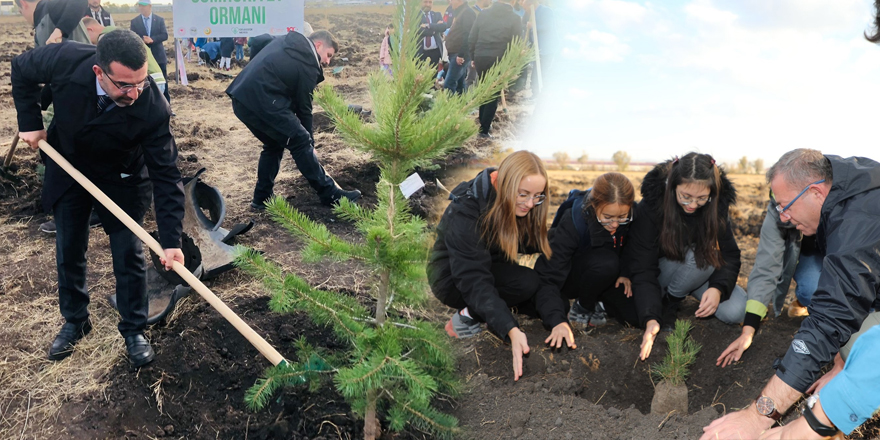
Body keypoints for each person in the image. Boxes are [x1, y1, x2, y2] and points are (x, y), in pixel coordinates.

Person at [11, 30, 185, 368]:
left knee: (128, 251)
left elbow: (166, 175)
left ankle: (134, 327)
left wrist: (170, 239)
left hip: (122, 174)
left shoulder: (152, 107)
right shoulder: (65, 59)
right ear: (98, 72)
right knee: (69, 246)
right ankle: (76, 320)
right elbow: (21, 69)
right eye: (123, 85)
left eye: (139, 83)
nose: (133, 93)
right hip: (68, 162)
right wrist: (30, 121)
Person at [700, 149, 880, 440]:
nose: (782, 217)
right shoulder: (847, 183)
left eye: (786, 206)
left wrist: (758, 417)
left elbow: (829, 320)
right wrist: (841, 363)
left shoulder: (857, 221)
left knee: (859, 337)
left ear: (816, 192)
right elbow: (855, 293)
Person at [428, 150, 575, 381]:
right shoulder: (467, 212)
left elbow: (527, 242)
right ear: (506, 184)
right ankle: (468, 315)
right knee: (527, 283)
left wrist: (568, 237)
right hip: (452, 279)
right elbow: (474, 279)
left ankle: (495, 311)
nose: (530, 204)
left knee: (553, 302)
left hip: (491, 267)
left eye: (537, 196)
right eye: (523, 194)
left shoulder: (515, 203)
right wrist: (510, 330)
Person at [628, 152, 747, 361]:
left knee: (736, 311)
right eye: (685, 197)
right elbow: (642, 267)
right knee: (704, 255)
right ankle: (668, 305)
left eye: (702, 198)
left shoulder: (716, 206)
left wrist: (718, 288)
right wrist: (651, 318)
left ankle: (677, 296)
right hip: (661, 273)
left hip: (695, 270)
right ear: (672, 186)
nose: (692, 205)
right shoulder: (652, 207)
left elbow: (730, 254)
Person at [226, 30, 361, 209]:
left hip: (242, 97)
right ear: (318, 45)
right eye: (328, 55)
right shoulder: (308, 61)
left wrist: (259, 73)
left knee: (274, 144)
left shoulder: (285, 41)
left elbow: (259, 40)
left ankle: (262, 198)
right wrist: (308, 142)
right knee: (300, 140)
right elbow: (304, 108)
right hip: (262, 101)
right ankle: (330, 194)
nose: (327, 62)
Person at [715, 199, 823, 368]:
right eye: (778, 204)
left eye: (786, 205)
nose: (782, 216)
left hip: (848, 255)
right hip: (813, 253)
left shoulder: (847, 204)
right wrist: (748, 330)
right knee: (812, 291)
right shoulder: (778, 209)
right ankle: (805, 299)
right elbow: (766, 269)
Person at [534, 172, 641, 328]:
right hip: (574, 276)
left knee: (636, 317)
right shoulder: (574, 221)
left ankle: (600, 303)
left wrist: (625, 272)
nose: (615, 224)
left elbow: (633, 246)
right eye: (608, 217)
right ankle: (583, 306)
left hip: (611, 277)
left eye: (622, 217)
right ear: (594, 205)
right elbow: (550, 272)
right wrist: (556, 318)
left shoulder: (633, 214)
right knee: (606, 263)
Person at [469, 0, 522, 138]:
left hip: (481, 56)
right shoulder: (515, 18)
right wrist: (512, 63)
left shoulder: (483, 14)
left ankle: (483, 122)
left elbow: (472, 36)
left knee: (484, 89)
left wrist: (473, 56)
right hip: (499, 58)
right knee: (493, 94)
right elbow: (517, 43)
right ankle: (484, 130)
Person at [82, 19, 167, 95]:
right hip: (157, 78)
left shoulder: (106, 38)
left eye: (85, 35)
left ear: (89, 30)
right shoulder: (118, 31)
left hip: (145, 82)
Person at [129, 0, 169, 104]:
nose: (142, 8)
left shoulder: (159, 20)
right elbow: (133, 38)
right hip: (143, 58)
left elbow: (165, 35)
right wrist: (142, 40)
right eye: (140, 6)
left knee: (163, 82)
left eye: (144, 6)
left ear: (150, 6)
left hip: (159, 57)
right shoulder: (135, 21)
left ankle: (166, 106)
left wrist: (152, 39)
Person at [14, 0, 89, 47]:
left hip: (85, 68)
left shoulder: (50, 7)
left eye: (21, 12)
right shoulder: (39, 24)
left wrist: (59, 30)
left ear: (23, 3)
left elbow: (80, 1)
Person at [443, 0, 476, 95]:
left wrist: (461, 55)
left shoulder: (467, 13)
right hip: (455, 54)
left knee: (449, 84)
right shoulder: (461, 12)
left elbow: (468, 35)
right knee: (460, 85)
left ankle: (449, 108)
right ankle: (462, 106)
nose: (450, 2)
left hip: (459, 55)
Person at [417, 0, 448, 68]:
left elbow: (444, 27)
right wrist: (435, 29)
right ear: (420, 2)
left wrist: (428, 25)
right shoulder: (415, 16)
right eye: (425, 2)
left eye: (430, 2)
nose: (428, 4)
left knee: (434, 76)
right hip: (420, 52)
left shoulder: (437, 15)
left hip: (435, 52)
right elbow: (418, 30)